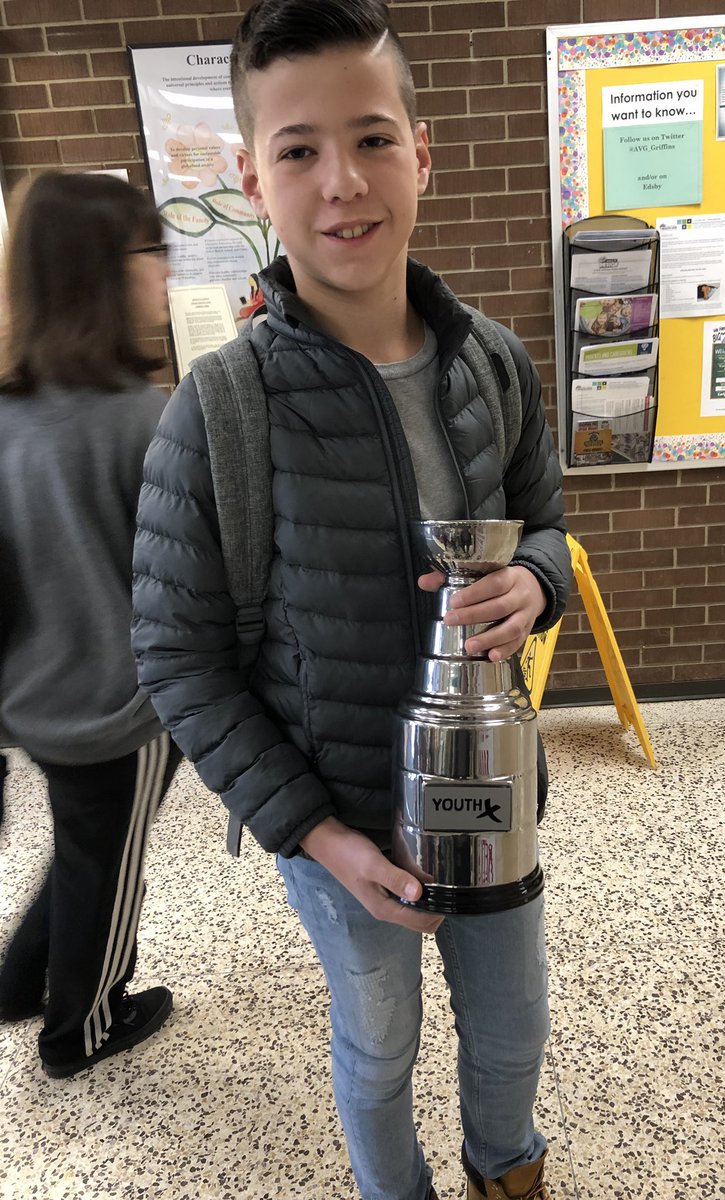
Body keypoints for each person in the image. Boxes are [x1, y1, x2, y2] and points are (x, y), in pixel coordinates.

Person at [131, 3, 571, 1198]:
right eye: (298, 150)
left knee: (515, 1023)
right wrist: (318, 836)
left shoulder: (494, 361)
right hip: (338, 825)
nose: (343, 183)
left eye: (373, 138)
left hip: (494, 794)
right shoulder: (219, 410)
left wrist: (536, 578)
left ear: (422, 152)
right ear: (251, 178)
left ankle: (507, 1168)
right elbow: (176, 657)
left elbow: (550, 526)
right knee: (379, 1043)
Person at [0, 171, 182, 1077]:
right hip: (121, 711)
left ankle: (16, 980)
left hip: (31, 701)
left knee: (81, 846)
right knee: (109, 867)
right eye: (153, 251)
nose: (165, 271)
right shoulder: (144, 419)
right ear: (105, 271)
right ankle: (84, 1024)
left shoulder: (7, 412)